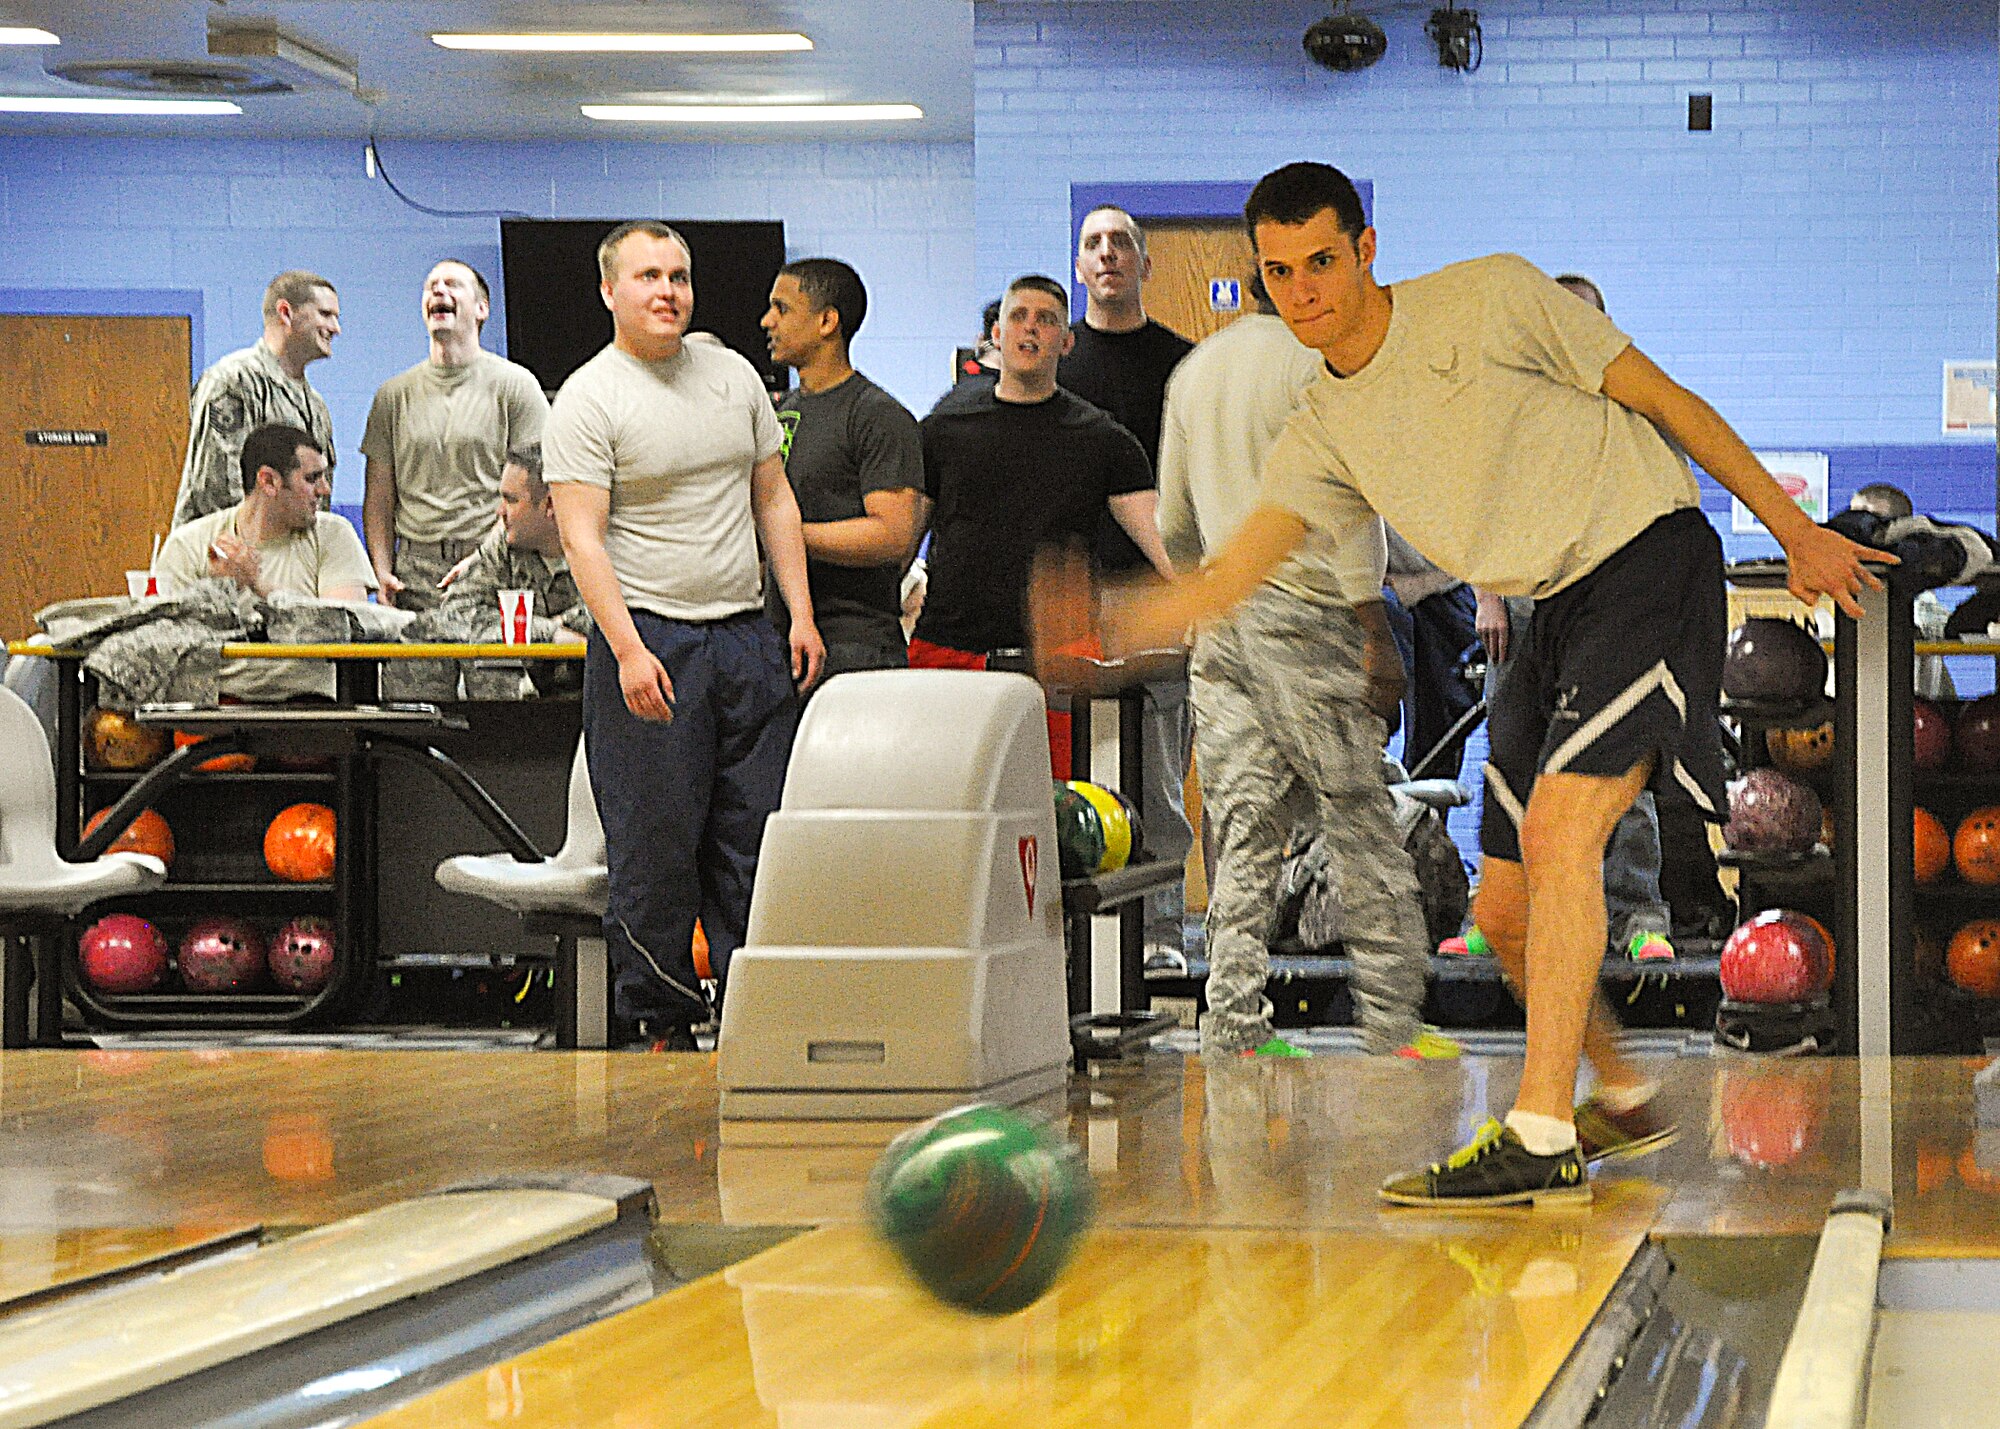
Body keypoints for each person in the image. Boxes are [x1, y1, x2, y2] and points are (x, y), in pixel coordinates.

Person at [1032, 161, 1883, 1208]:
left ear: (1365, 250)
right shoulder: (1319, 428)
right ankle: (1618, 1090)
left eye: (1321, 262)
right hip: (1544, 613)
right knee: (1508, 915)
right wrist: (1107, 622)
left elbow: (1662, 398)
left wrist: (1792, 528)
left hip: (1642, 558)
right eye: (1279, 272)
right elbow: (1230, 575)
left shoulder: (1488, 296)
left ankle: (1535, 1132)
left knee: (1566, 834)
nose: (1303, 291)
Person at [542, 220, 824, 1052]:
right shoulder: (589, 397)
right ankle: (658, 1020)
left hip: (744, 638)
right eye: (647, 277)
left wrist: (798, 613)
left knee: (755, 838)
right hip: (649, 645)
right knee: (656, 850)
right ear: (610, 291)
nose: (666, 291)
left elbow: (772, 498)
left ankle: (752, 1017)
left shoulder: (733, 374)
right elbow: (580, 536)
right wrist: (628, 649)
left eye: (678, 276)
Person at [1156, 276, 1449, 1060]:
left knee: (1244, 830)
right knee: (1360, 819)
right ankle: (1393, 1024)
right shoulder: (1320, 365)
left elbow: (1172, 520)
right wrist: (1375, 629)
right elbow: (1351, 507)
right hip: (1311, 611)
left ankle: (1235, 1023)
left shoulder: (1196, 370)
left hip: (1222, 617)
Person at [1450, 274, 1676, 965]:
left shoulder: (1639, 410)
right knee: (1513, 767)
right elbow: (1476, 512)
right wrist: (1486, 595)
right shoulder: (1508, 411)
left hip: (1612, 610)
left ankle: (1639, 916)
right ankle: (1501, 912)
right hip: (1522, 606)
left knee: (1620, 768)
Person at [910, 274, 1173, 776]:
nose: (1031, 329)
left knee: (1053, 820)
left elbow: (1163, 545)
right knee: (947, 803)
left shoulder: (1104, 439)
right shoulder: (942, 430)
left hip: (1058, 661)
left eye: (1047, 319)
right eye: (1018, 317)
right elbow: (902, 544)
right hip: (950, 652)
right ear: (996, 335)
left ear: (1066, 341)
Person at [1058, 205, 1198, 965]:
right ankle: (1075, 943)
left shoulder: (1185, 366)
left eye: (1122, 244)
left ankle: (1161, 935)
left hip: (1160, 602)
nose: (1107, 254)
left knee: (1160, 784)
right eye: (1093, 244)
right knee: (1068, 777)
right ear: (1079, 265)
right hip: (1071, 607)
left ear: (1146, 265)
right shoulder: (1055, 370)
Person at [761, 258, 924, 682]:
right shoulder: (780, 412)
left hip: (856, 649)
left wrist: (784, 536)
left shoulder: (876, 416)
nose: (767, 321)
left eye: (782, 309)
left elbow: (892, 535)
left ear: (826, 321)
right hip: (784, 639)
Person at [361, 260, 549, 612]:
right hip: (415, 571)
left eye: (452, 284)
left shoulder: (516, 386)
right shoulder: (392, 395)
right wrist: (382, 570)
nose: (438, 291)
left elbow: (535, 489)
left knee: (494, 668)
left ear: (482, 309)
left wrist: (483, 558)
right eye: (431, 285)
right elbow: (379, 496)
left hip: (495, 560)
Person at [154, 422, 374, 699]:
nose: (325, 490)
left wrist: (260, 584)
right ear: (268, 481)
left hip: (311, 706)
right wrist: (222, 590)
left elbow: (348, 632)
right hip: (217, 707)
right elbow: (165, 644)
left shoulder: (333, 534)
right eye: (311, 479)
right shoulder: (189, 543)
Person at [171, 272, 340, 528]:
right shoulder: (234, 381)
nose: (335, 329)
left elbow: (316, 498)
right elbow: (220, 494)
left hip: (287, 557)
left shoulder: (315, 407)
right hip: (229, 557)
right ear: (286, 312)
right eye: (325, 315)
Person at [1849, 482, 1955, 701]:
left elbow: (1939, 625)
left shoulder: (1923, 604)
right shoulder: (1846, 588)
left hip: (1918, 712)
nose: (1857, 528)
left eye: (1868, 521)